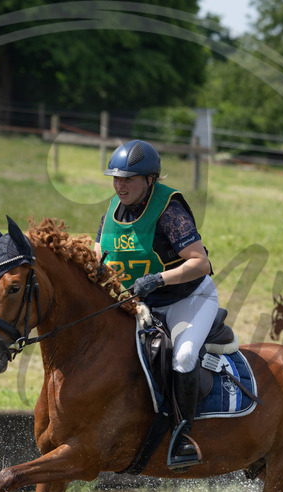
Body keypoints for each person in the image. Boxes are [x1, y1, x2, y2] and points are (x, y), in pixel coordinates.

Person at [94, 139, 219, 470]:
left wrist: (158, 279)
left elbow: (200, 263)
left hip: (187, 299)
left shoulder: (170, 209)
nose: (120, 185)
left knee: (183, 355)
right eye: (116, 178)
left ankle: (182, 438)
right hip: (141, 305)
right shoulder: (111, 212)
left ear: (150, 180)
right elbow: (96, 255)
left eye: (128, 179)